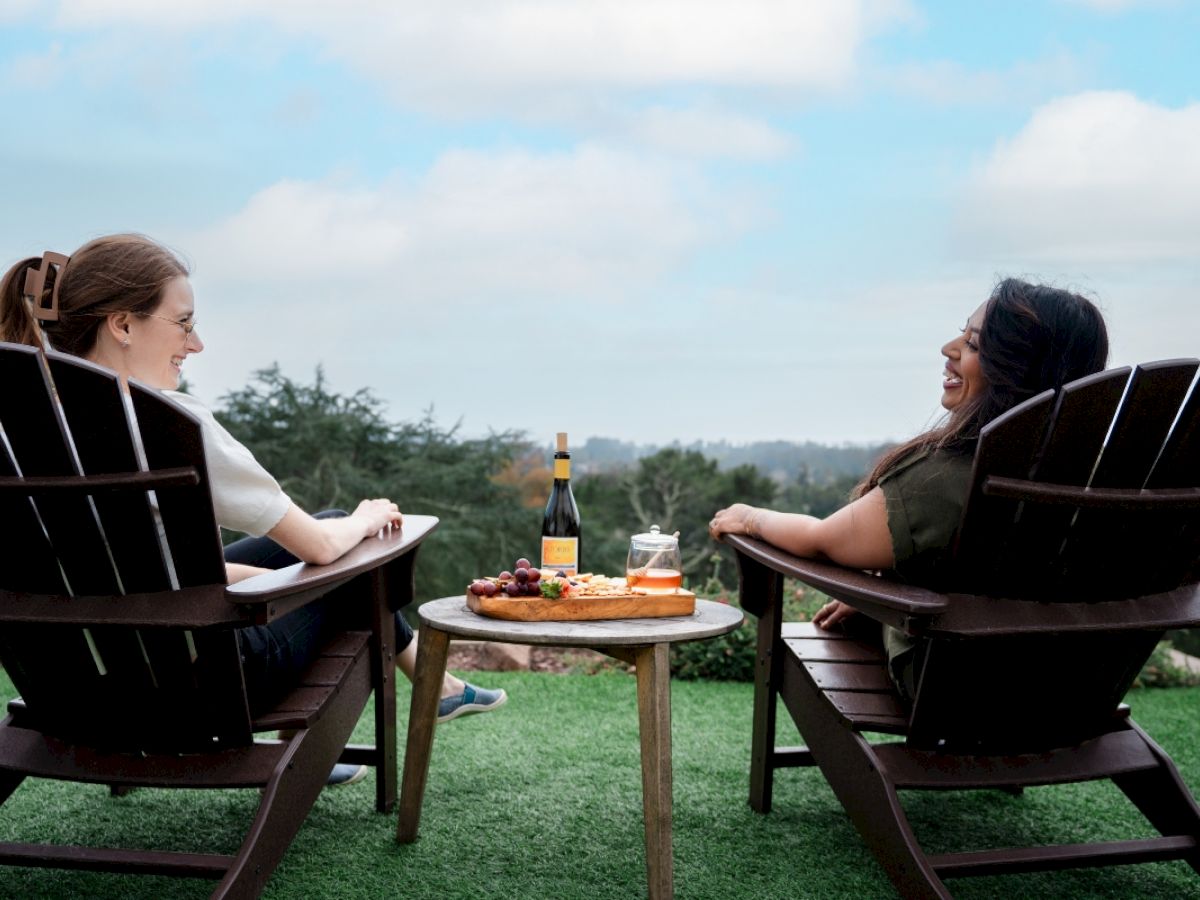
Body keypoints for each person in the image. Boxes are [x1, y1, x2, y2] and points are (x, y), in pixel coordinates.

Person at [1, 234, 507, 785]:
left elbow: (120, 571)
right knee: (352, 552)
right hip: (201, 685)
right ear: (122, 325)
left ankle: (438, 690)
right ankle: (400, 704)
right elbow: (317, 547)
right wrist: (365, 520)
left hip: (79, 681)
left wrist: (271, 574)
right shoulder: (169, 423)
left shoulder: (23, 434)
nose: (196, 346)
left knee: (325, 537)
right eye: (184, 323)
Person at [709, 279, 1109, 701]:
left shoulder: (949, 477)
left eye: (973, 344)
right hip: (1073, 689)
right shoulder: (1099, 477)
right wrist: (885, 597)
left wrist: (751, 519)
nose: (949, 349)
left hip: (958, 693)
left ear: (1016, 371)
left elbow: (821, 542)